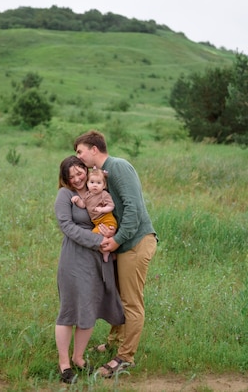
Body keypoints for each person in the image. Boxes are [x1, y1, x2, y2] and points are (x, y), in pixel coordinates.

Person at [74, 130, 158, 378]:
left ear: (94, 149)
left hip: (136, 242)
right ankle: (113, 342)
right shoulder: (103, 174)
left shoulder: (118, 166)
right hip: (124, 243)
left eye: (80, 151)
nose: (78, 157)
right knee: (118, 296)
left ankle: (125, 357)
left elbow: (134, 207)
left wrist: (117, 240)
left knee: (132, 302)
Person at [54, 156, 125, 384]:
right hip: (75, 257)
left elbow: (114, 214)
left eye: (79, 173)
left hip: (98, 259)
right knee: (69, 310)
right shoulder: (65, 195)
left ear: (86, 170)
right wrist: (97, 241)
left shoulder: (98, 188)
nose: (76, 179)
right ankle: (64, 364)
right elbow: (66, 226)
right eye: (71, 176)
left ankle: (79, 358)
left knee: (89, 307)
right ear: (65, 179)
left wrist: (112, 237)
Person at [71, 166, 118, 262]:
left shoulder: (104, 194)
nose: (95, 185)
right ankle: (112, 253)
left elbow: (111, 206)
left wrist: (102, 209)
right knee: (100, 236)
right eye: (92, 182)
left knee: (95, 236)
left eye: (98, 183)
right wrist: (77, 200)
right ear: (87, 184)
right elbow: (83, 205)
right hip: (97, 222)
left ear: (104, 185)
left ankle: (107, 252)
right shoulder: (87, 195)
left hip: (107, 219)